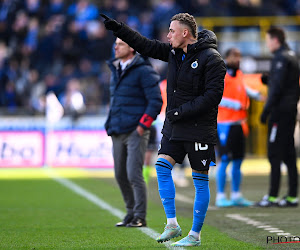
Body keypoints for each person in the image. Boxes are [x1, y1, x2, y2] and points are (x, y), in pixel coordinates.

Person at [101, 12, 226, 246]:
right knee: (161, 166)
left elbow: (213, 96)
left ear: (185, 33)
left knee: (200, 181)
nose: (168, 35)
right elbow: (145, 45)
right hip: (175, 126)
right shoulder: (173, 52)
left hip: (199, 127)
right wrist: (119, 28)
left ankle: (195, 236)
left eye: (171, 31)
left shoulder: (212, 58)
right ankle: (172, 224)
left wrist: (180, 111)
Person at [105, 38, 162, 227]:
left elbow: (155, 101)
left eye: (120, 44)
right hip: (117, 129)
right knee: (120, 174)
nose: (116, 47)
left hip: (135, 130)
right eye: (115, 44)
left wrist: (142, 126)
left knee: (133, 174)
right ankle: (130, 213)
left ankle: (140, 216)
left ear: (131, 48)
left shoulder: (144, 71)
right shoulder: (115, 69)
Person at [256, 27, 299, 207]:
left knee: (274, 154)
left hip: (280, 112)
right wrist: (271, 79)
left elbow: (278, 88)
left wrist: (266, 110)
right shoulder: (293, 55)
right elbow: (286, 83)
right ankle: (291, 196)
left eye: (268, 40)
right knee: (289, 154)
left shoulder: (281, 57)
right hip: (290, 111)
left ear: (275, 40)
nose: (267, 44)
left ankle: (272, 196)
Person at [215, 48, 262, 207]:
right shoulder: (221, 76)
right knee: (225, 159)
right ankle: (220, 196)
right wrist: (236, 104)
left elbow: (243, 89)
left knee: (238, 160)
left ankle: (236, 195)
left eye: (239, 56)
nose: (237, 59)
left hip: (239, 124)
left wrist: (256, 95)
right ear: (227, 58)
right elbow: (216, 97)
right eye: (234, 56)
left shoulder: (240, 75)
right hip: (224, 125)